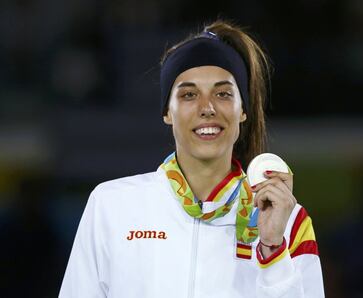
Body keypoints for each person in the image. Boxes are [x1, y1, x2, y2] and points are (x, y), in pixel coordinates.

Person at [59, 20, 324, 297]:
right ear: (167, 112)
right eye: (189, 94)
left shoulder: (288, 219)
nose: (207, 108)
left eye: (223, 94)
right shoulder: (112, 206)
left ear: (242, 110)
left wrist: (273, 250)